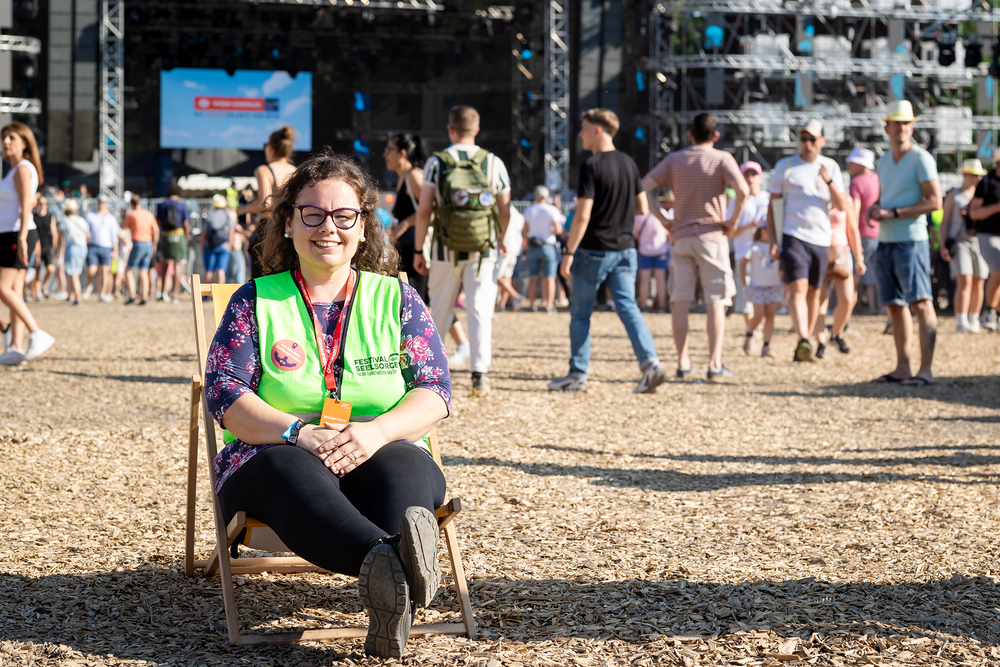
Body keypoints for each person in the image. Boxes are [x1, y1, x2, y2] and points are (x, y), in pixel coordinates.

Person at [204, 151, 449, 659]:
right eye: (312, 214)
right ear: (288, 223)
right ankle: (391, 562)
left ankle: (390, 563)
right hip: (275, 453)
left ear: (363, 227)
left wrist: (377, 432)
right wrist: (298, 432)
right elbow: (224, 392)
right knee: (288, 467)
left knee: (404, 459)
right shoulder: (253, 300)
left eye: (343, 216)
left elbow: (435, 389)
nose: (328, 228)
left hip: (376, 444)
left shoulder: (398, 299)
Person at [547, 108, 665, 392]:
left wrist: (569, 252)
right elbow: (642, 207)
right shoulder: (628, 163)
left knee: (581, 314)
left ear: (597, 130)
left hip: (594, 249)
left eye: (584, 127)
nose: (580, 134)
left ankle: (577, 374)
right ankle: (651, 364)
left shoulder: (592, 165)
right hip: (625, 249)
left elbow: (583, 215)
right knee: (629, 308)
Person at [412, 105, 512, 398]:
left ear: (450, 129)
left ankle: (430, 373)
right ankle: (480, 374)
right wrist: (501, 237)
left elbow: (424, 210)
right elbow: (505, 209)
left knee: (440, 308)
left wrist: (419, 249)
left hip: (444, 247)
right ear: (477, 130)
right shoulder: (493, 162)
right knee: (479, 308)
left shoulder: (436, 162)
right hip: (483, 248)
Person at [642, 112, 748, 380]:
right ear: (716, 136)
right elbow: (743, 190)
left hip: (681, 235)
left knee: (680, 300)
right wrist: (732, 222)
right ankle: (714, 364)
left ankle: (683, 361)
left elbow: (643, 187)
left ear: (690, 134)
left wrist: (662, 218)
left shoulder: (674, 160)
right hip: (712, 235)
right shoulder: (723, 159)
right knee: (716, 301)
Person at [868, 100, 942, 386]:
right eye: (896, 123)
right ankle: (902, 368)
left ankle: (926, 371)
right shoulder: (884, 161)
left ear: (912, 127)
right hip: (885, 241)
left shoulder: (922, 158)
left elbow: (934, 202)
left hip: (911, 242)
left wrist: (893, 213)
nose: (901, 127)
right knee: (895, 306)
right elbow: (888, 197)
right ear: (886, 127)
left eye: (905, 123)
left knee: (921, 303)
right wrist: (876, 208)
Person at [765, 119, 852, 363]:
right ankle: (803, 338)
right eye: (803, 138)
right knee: (797, 288)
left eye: (812, 139)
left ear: (822, 141)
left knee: (815, 292)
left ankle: (808, 341)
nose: (807, 144)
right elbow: (772, 206)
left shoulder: (831, 166)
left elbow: (841, 206)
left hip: (822, 238)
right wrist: (773, 240)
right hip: (793, 235)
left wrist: (829, 181)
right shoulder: (785, 166)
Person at [0, 121, 54, 365]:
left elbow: (25, 206)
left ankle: (37, 333)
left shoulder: (22, 168)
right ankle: (14, 346)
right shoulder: (13, 170)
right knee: (15, 291)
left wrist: (21, 237)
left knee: (3, 288)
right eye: (4, 137)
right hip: (9, 233)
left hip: (16, 234)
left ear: (24, 143)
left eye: (12, 137)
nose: (6, 142)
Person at [238, 125, 297, 279]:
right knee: (288, 277)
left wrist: (243, 209)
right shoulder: (296, 171)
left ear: (270, 148)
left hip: (269, 228)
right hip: (292, 227)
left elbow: (265, 203)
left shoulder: (264, 170)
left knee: (261, 279)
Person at [941, 159, 988, 333]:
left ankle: (974, 319)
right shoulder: (954, 195)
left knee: (979, 281)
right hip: (959, 241)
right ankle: (961, 320)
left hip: (979, 241)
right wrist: (942, 244)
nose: (977, 178)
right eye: (974, 175)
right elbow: (945, 222)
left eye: (979, 175)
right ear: (964, 174)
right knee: (964, 280)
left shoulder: (982, 195)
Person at [812, 205, 865, 356]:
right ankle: (820, 343)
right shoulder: (818, 196)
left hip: (841, 253)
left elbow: (853, 230)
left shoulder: (845, 200)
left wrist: (858, 258)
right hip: (820, 250)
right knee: (820, 301)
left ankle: (836, 334)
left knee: (847, 299)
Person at [726, 161, 770, 331]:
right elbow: (729, 231)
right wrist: (750, 226)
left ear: (760, 178)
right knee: (747, 296)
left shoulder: (769, 198)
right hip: (743, 254)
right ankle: (751, 332)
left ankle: (759, 332)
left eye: (754, 174)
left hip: (767, 256)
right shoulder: (736, 201)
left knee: (769, 297)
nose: (750, 178)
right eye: (746, 174)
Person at [385, 133, 428, 303]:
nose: (385, 154)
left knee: (419, 303)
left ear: (402, 153)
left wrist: (404, 224)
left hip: (417, 251)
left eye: (389, 149)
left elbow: (430, 209)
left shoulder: (414, 176)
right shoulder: (404, 178)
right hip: (408, 250)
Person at [846, 147, 882, 316]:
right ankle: (880, 311)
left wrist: (851, 237)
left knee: (852, 279)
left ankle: (845, 318)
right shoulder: (879, 180)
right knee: (877, 277)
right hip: (880, 235)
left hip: (861, 235)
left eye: (851, 162)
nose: (848, 166)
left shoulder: (856, 182)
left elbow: (854, 211)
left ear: (860, 164)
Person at [968, 147, 1000, 331]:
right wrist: (995, 208)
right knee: (999, 269)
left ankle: (996, 313)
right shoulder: (987, 183)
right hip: (988, 235)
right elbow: (974, 213)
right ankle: (989, 311)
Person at [739, 226, 782, 357]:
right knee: (758, 314)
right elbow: (742, 265)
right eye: (765, 228)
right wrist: (744, 284)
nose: (768, 231)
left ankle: (766, 346)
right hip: (757, 287)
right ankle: (749, 334)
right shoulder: (754, 247)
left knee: (770, 316)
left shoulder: (778, 246)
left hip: (774, 287)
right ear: (760, 231)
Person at [522, 185, 566, 312]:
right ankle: (549, 305)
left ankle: (532, 305)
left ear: (535, 196)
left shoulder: (529, 210)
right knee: (550, 277)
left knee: (533, 277)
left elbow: (525, 231)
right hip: (548, 247)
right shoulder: (552, 210)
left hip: (533, 247)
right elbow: (558, 230)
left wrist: (528, 243)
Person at [632, 194, 670, 312]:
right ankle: (662, 306)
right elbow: (668, 232)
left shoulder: (639, 215)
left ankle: (643, 305)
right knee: (660, 279)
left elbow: (634, 234)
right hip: (661, 250)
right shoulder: (663, 213)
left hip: (644, 250)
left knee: (644, 278)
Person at [156, 184, 191, 302]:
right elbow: (186, 224)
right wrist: (186, 238)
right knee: (177, 265)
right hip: (178, 235)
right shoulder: (182, 205)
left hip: (166, 235)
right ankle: (175, 294)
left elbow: (158, 222)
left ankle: (162, 293)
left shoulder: (161, 205)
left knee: (164, 264)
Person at [122, 196, 159, 304]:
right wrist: (154, 246)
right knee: (144, 271)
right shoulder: (148, 214)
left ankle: (132, 295)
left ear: (131, 204)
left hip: (138, 243)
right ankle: (144, 297)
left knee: (129, 270)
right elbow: (156, 230)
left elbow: (122, 226)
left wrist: (125, 215)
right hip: (148, 244)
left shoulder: (132, 214)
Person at [83, 195, 120, 303]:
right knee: (92, 270)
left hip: (106, 247)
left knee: (104, 271)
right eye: (99, 201)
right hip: (92, 246)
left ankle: (102, 293)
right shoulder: (89, 215)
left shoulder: (111, 218)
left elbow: (114, 237)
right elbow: (85, 232)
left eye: (103, 202)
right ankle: (89, 285)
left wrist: (116, 252)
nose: (101, 204)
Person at [495, 204, 524, 310]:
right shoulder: (519, 215)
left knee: (496, 276)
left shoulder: (500, 210)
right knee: (506, 277)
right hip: (514, 249)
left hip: (503, 248)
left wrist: (500, 242)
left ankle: (514, 295)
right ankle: (502, 305)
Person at [28, 195, 57, 301]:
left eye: (44, 204)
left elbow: (54, 232)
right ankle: (37, 292)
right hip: (36, 247)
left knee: (50, 268)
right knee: (37, 271)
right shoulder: (33, 217)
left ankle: (43, 286)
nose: (42, 206)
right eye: (40, 204)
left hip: (47, 246)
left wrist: (55, 248)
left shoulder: (50, 217)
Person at [61, 199, 88, 306]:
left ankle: (78, 298)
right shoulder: (81, 220)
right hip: (83, 248)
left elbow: (60, 238)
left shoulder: (65, 221)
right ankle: (71, 295)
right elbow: (88, 234)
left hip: (72, 248)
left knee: (73, 274)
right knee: (74, 272)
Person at [202, 193, 233, 285]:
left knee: (209, 271)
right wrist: (230, 246)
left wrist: (203, 246)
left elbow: (204, 233)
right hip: (224, 246)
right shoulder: (227, 216)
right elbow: (231, 233)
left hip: (210, 246)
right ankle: (220, 292)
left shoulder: (209, 216)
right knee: (221, 271)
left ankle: (205, 293)